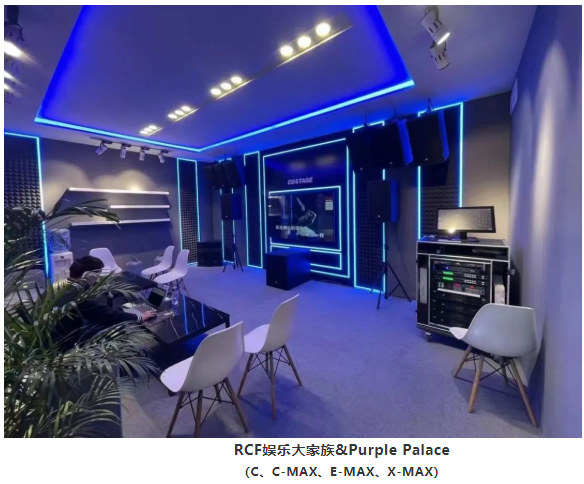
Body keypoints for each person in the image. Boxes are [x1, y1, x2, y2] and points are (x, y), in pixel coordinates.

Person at [54, 255, 157, 343]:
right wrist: (139, 317)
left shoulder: (59, 287)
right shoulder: (78, 298)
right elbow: (106, 314)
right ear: (89, 275)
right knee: (116, 323)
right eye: (97, 275)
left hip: (57, 334)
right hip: (67, 341)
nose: (98, 279)